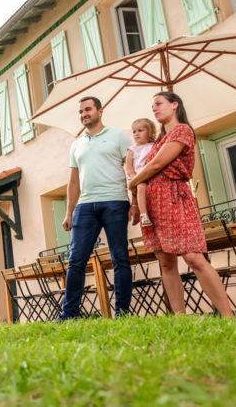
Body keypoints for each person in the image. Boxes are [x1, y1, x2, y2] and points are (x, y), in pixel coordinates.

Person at [128, 92, 233, 316]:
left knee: (193, 256)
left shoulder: (182, 130)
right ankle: (180, 317)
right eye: (152, 105)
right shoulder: (158, 141)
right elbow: (148, 166)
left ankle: (228, 315)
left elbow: (156, 165)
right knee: (165, 261)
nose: (154, 109)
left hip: (175, 196)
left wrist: (133, 182)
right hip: (154, 202)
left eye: (158, 104)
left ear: (174, 105)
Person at [58, 96, 138, 320]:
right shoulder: (77, 144)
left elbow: (132, 171)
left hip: (115, 202)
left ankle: (122, 313)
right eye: (81, 111)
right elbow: (73, 181)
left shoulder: (119, 137)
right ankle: (69, 314)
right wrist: (69, 211)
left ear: (100, 111)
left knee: (119, 257)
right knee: (76, 260)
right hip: (85, 206)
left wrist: (136, 203)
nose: (84, 114)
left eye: (88, 109)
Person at [124, 118, 156, 227]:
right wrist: (134, 176)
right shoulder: (132, 149)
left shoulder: (154, 146)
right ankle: (144, 215)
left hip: (151, 175)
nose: (136, 134)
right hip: (137, 177)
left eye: (140, 130)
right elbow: (128, 165)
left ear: (150, 132)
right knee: (141, 187)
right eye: (134, 132)